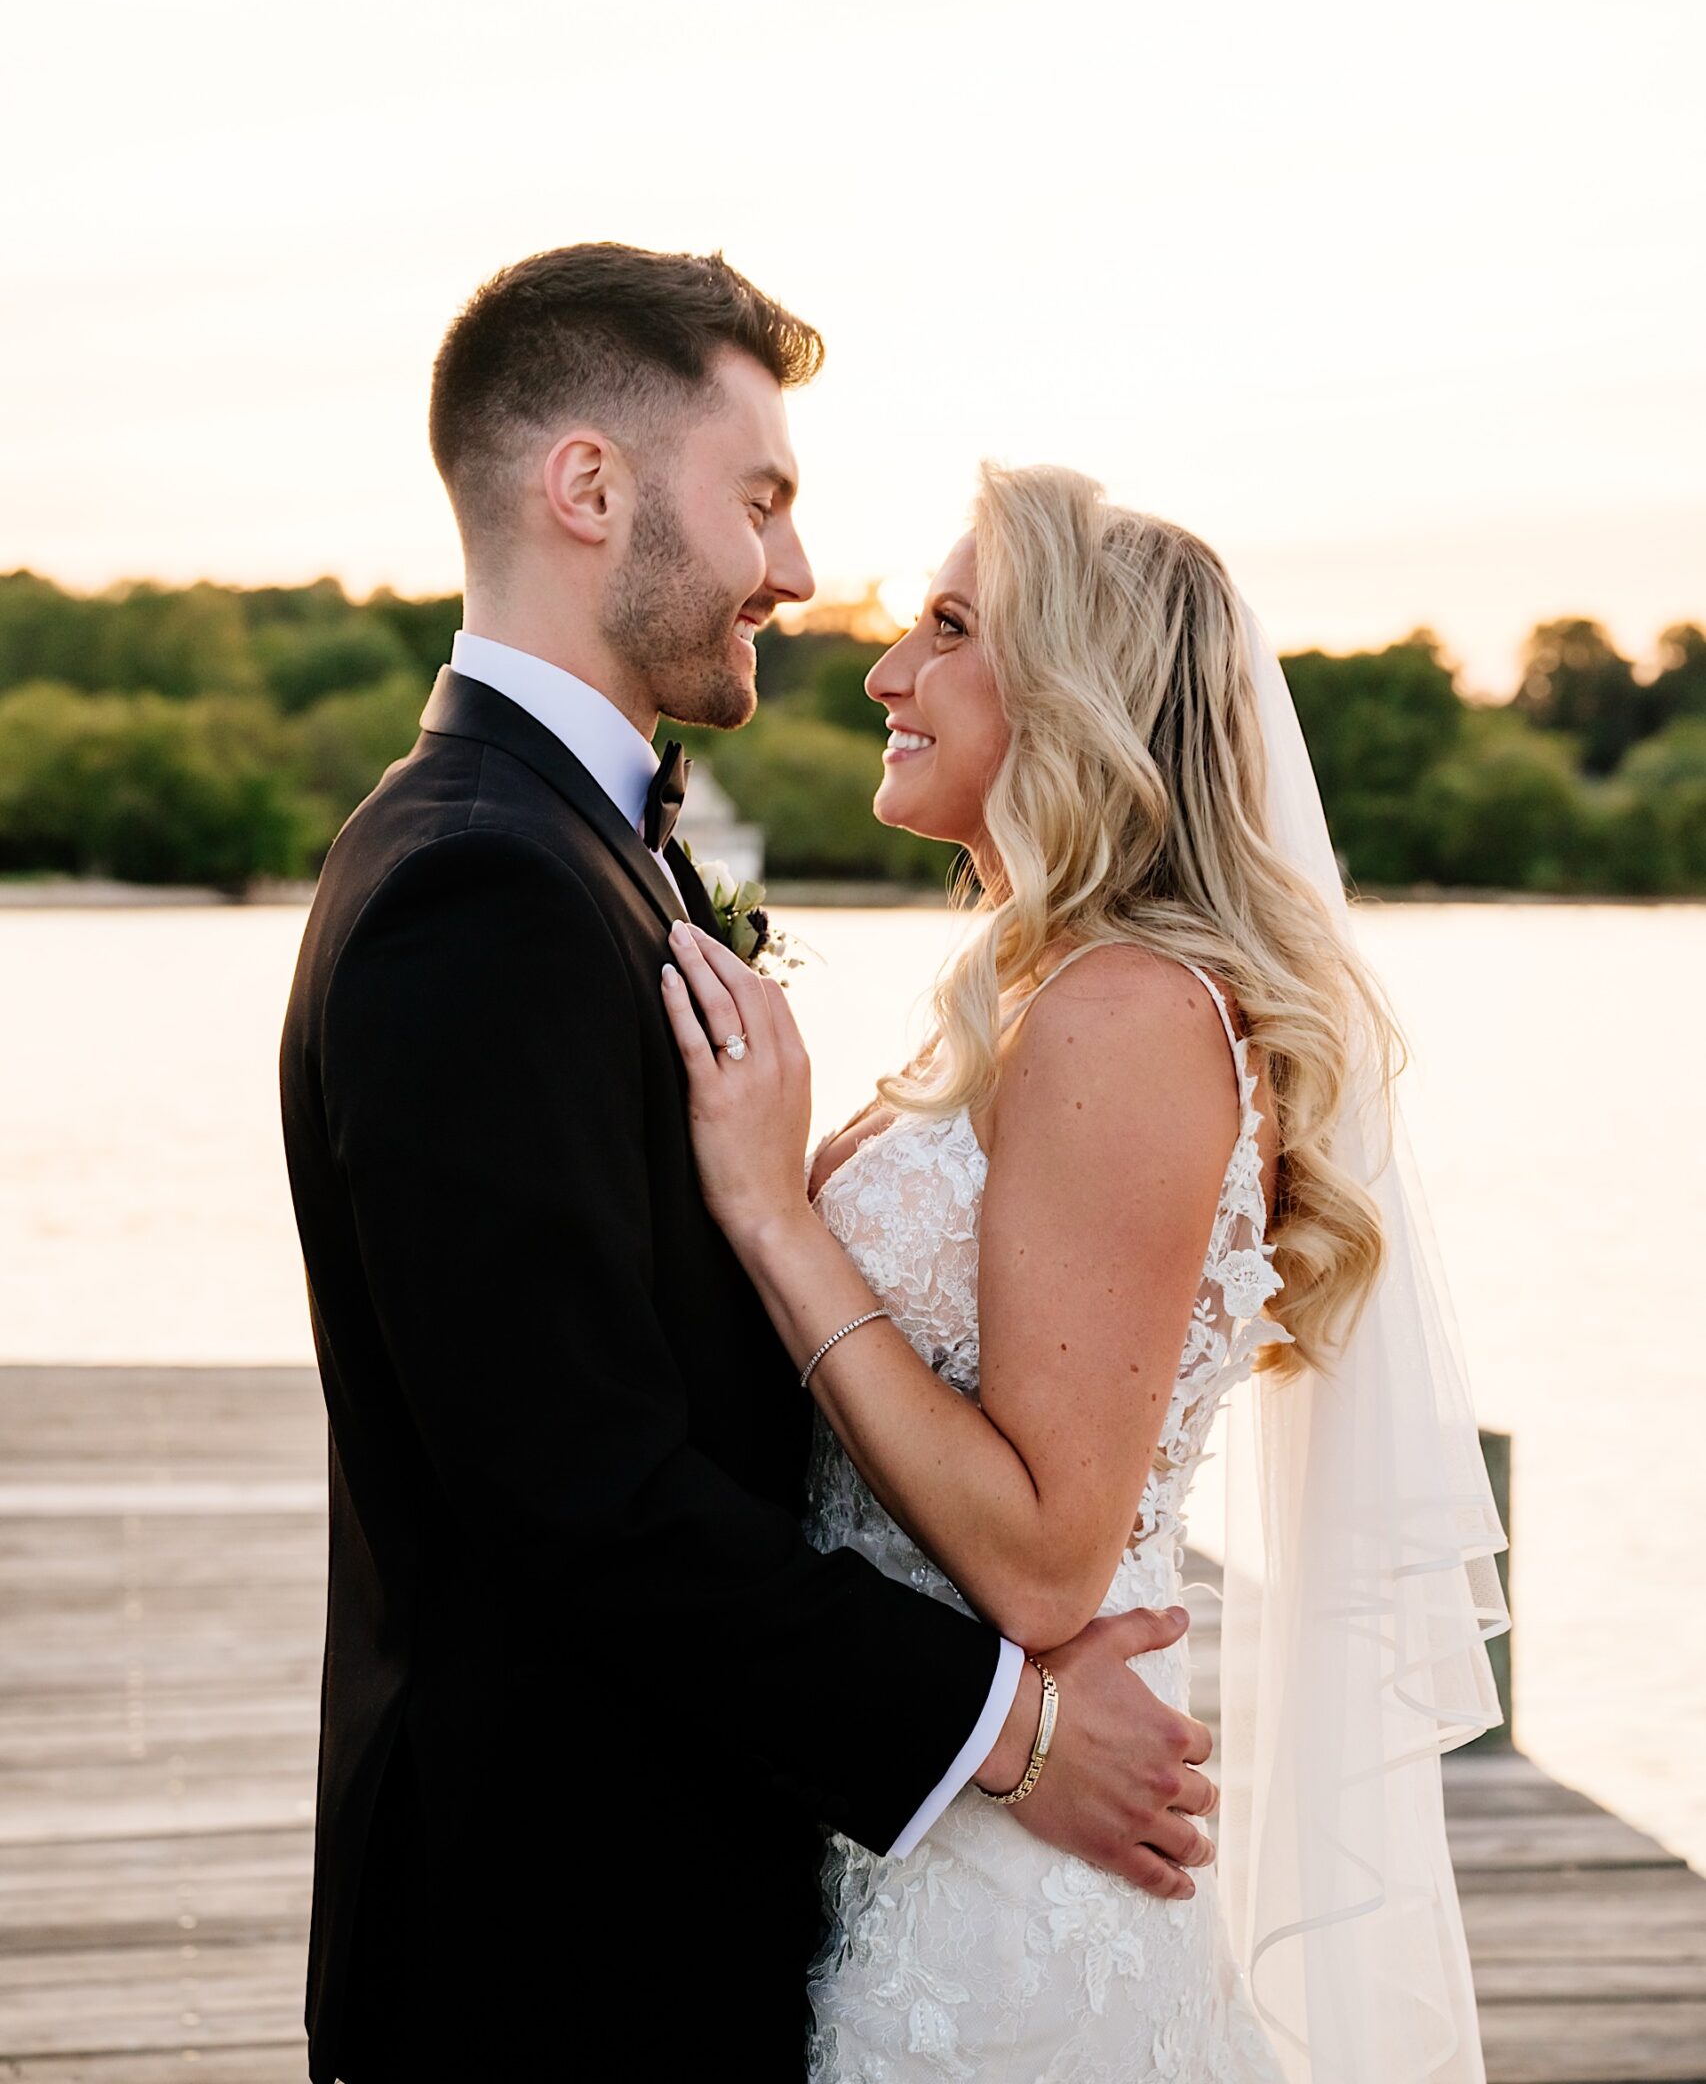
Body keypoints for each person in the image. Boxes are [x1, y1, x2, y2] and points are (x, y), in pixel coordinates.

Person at [279, 249, 1220, 2084]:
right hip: (545, 1939)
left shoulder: (571, 848)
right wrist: (1005, 1728)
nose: (797, 574)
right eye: (762, 498)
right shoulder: (480, 886)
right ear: (588, 489)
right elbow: (574, 1492)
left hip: (688, 1891)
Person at [661, 462, 1507, 2081]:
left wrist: (773, 1217)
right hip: (939, 1807)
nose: (885, 670)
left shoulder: (1121, 1014)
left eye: (949, 628)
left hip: (1014, 1899)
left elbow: (1049, 1561)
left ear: (1076, 696)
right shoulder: (1035, 983)